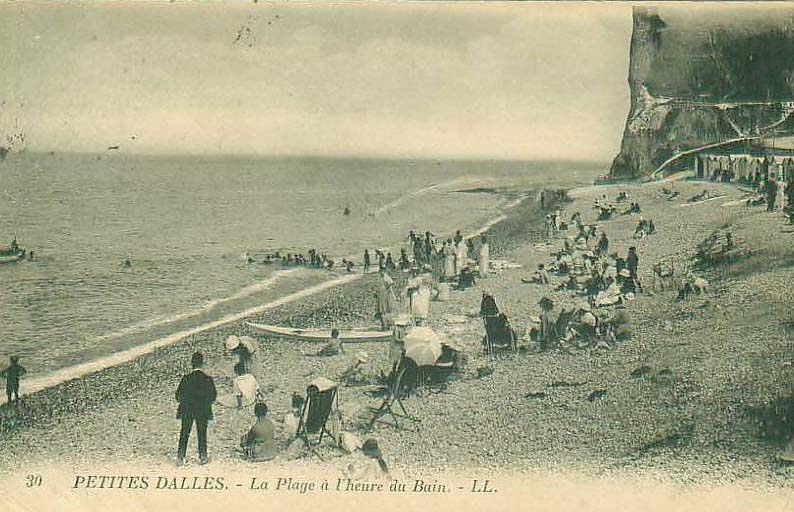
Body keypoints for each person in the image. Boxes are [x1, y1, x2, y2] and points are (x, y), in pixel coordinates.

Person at [176, 351, 217, 466]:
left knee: (184, 433)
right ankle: (203, 456)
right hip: (202, 410)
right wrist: (205, 403)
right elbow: (213, 396)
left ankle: (180, 457)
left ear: (192, 364)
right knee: (202, 433)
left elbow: (178, 395)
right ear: (202, 364)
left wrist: (186, 401)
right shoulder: (208, 379)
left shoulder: (186, 378)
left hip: (187, 409)